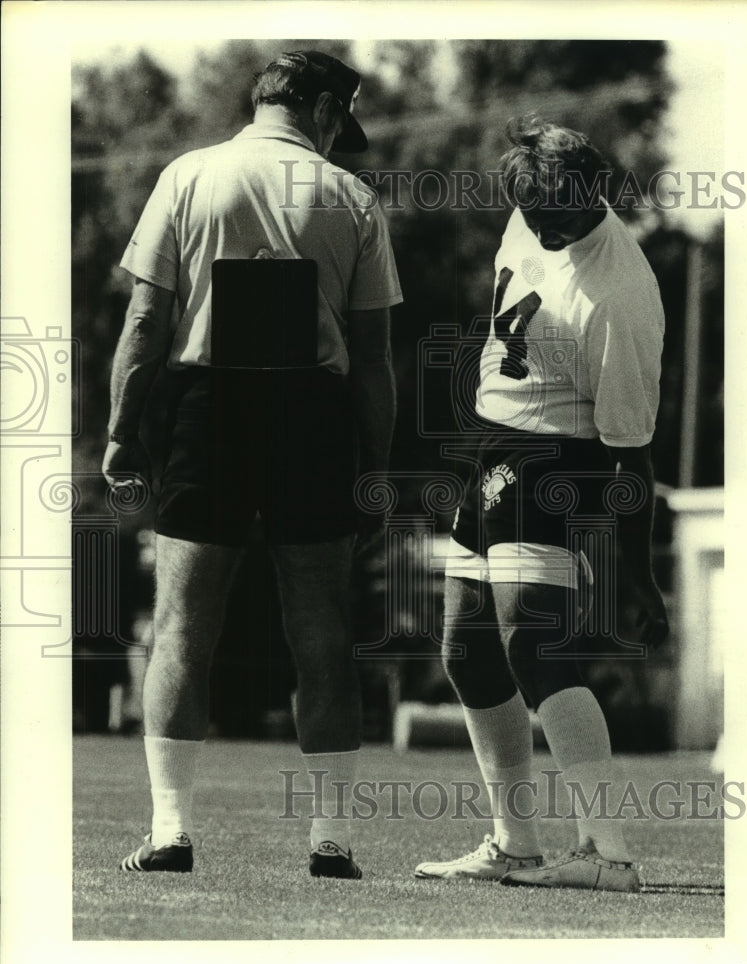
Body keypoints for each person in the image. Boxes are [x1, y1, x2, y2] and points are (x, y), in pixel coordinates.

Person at [102, 50, 402, 879]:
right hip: (312, 413)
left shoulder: (189, 176)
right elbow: (375, 358)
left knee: (184, 628)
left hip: (210, 409)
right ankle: (331, 838)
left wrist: (124, 431)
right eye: (342, 119)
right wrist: (373, 466)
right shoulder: (350, 196)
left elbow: (142, 325)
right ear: (326, 110)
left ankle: (170, 831)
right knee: (322, 632)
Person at [415, 116, 668, 891]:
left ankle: (609, 853)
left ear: (594, 193)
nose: (544, 228)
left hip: (560, 454)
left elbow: (630, 453)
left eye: (560, 214)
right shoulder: (535, 201)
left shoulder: (620, 295)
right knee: (466, 649)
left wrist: (636, 574)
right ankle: (514, 842)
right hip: (490, 441)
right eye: (534, 212)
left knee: (536, 645)